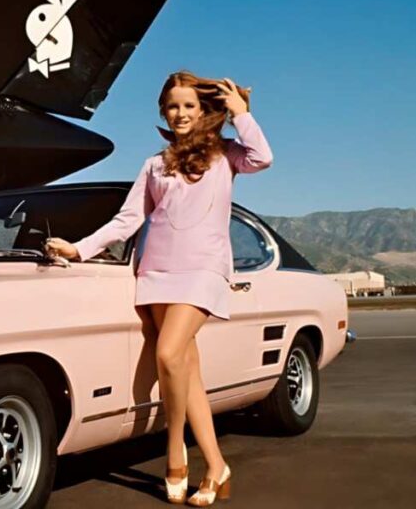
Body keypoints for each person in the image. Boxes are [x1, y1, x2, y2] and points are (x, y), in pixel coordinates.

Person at [44, 70, 273, 506]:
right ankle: (217, 466)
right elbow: (128, 219)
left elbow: (262, 158)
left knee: (167, 354)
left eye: (189, 105)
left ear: (203, 110)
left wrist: (241, 114)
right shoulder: (155, 164)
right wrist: (80, 249)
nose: (180, 113)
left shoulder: (226, 155)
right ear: (163, 112)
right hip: (155, 273)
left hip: (203, 271)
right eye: (172, 106)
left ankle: (174, 450)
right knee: (187, 374)